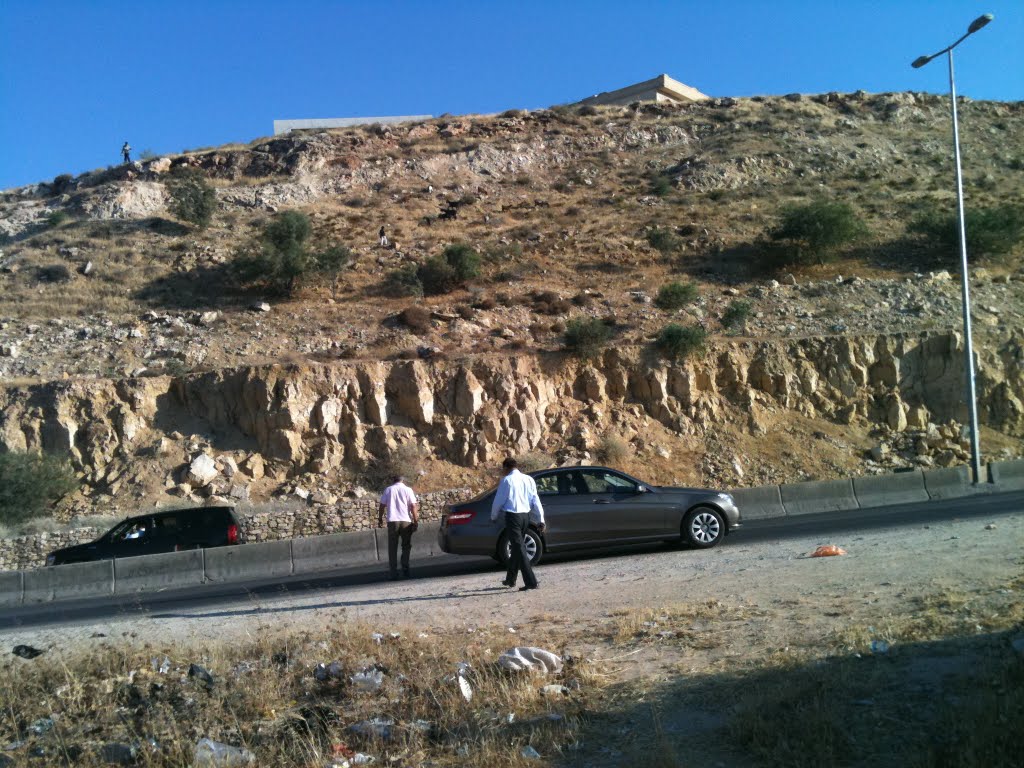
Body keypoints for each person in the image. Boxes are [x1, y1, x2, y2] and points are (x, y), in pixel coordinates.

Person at [490, 457, 545, 591]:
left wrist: (493, 516)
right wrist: (541, 519)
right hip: (526, 517)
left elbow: (498, 501)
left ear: (506, 468)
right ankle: (510, 579)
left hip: (513, 517)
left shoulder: (506, 480)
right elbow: (535, 500)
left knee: (519, 548)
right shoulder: (528, 479)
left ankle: (531, 582)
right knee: (516, 547)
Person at [377, 474, 419, 579]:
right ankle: (405, 568)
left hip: (392, 521)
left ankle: (393, 573)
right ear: (402, 480)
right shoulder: (408, 490)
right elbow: (413, 506)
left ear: (393, 480)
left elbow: (382, 505)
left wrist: (380, 518)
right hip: (406, 521)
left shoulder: (388, 490)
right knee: (406, 546)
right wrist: (415, 521)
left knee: (392, 547)